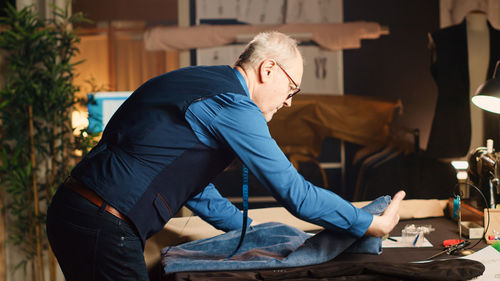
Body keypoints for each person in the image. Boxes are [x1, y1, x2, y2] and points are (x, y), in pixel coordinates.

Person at [46, 31, 405, 281]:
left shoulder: (197, 81)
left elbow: (191, 187)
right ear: (268, 70)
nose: (289, 101)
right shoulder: (232, 104)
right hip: (102, 222)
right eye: (292, 88)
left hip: (79, 213)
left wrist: (249, 232)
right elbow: (293, 190)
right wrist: (368, 223)